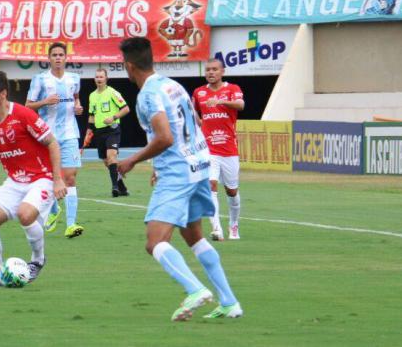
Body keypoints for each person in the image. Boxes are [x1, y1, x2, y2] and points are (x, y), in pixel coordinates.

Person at [116, 37, 242, 321]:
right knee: (193, 235)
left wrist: (132, 160)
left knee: (154, 241)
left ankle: (194, 289)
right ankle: (229, 301)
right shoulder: (173, 85)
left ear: (129, 66)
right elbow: (194, 124)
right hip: (197, 164)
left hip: (178, 172)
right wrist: (158, 165)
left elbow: (165, 136)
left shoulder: (148, 95)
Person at [0, 71, 67, 288]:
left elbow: (52, 143)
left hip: (41, 177)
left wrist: (57, 180)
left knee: (25, 214)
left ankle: (37, 260)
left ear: (3, 94)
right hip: (15, 181)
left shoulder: (23, 115)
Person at [26, 43, 84, 239]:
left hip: (69, 133)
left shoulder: (74, 79)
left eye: (61, 55)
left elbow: (76, 99)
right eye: (55, 55)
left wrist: (78, 107)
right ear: (49, 58)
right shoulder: (40, 80)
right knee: (50, 176)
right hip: (47, 135)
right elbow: (28, 106)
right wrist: (44, 102)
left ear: (66, 58)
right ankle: (52, 210)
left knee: (70, 176)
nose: (58, 58)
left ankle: (71, 224)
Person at [192, 60, 244, 241]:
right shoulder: (199, 92)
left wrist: (220, 101)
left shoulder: (232, 89)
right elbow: (193, 111)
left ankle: (234, 224)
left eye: (214, 69)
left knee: (232, 191)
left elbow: (240, 105)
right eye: (207, 70)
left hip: (229, 149)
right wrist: (199, 123)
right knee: (210, 185)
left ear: (222, 71)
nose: (210, 72)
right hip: (208, 149)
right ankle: (217, 229)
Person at [84, 68, 130, 197]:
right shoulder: (92, 95)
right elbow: (91, 115)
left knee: (111, 157)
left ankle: (115, 188)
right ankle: (121, 186)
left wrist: (114, 117)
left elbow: (126, 109)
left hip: (112, 130)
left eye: (101, 77)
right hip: (99, 132)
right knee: (107, 162)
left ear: (106, 78)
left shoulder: (113, 93)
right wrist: (88, 131)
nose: (99, 79)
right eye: (97, 77)